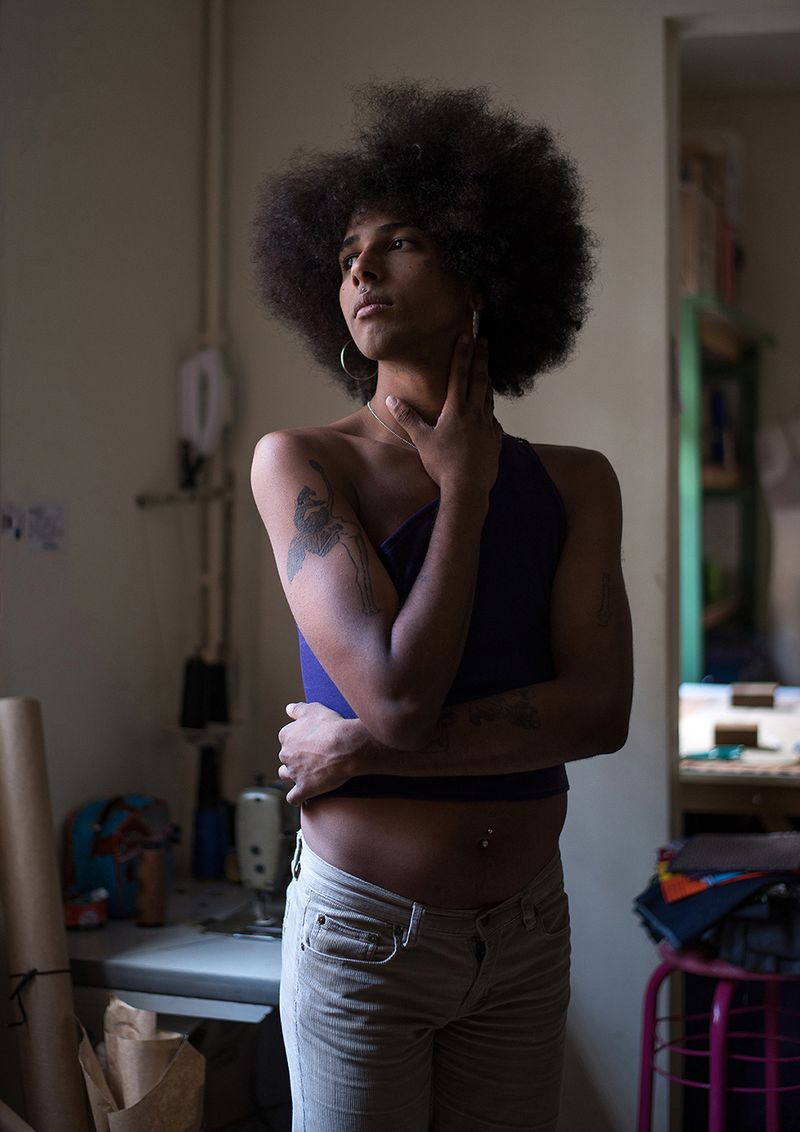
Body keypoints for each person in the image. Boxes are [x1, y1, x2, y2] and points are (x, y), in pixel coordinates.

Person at [250, 80, 633, 1132]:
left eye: (400, 241)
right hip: (360, 937)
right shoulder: (301, 463)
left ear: (482, 266)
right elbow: (399, 696)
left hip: (523, 933)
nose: (361, 269)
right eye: (342, 258)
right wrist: (463, 488)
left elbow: (599, 713)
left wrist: (363, 755)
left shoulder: (576, 481)